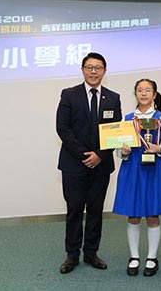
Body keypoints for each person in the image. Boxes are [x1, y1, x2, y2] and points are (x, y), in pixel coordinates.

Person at [56, 52, 122, 274]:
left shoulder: (113, 98)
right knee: (74, 210)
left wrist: (99, 155)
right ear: (83, 69)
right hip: (74, 164)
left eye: (98, 67)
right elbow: (62, 128)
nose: (94, 71)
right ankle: (72, 255)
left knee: (95, 210)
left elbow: (115, 132)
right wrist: (85, 154)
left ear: (104, 70)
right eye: (89, 67)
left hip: (101, 165)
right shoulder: (69, 95)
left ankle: (91, 253)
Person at [113, 78, 161, 277]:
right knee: (133, 214)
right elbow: (118, 150)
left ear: (154, 95)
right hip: (132, 167)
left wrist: (159, 148)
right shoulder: (127, 118)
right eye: (140, 90)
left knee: (152, 215)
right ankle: (134, 257)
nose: (144, 93)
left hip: (154, 167)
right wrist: (123, 150)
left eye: (148, 90)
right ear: (135, 94)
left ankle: (152, 258)